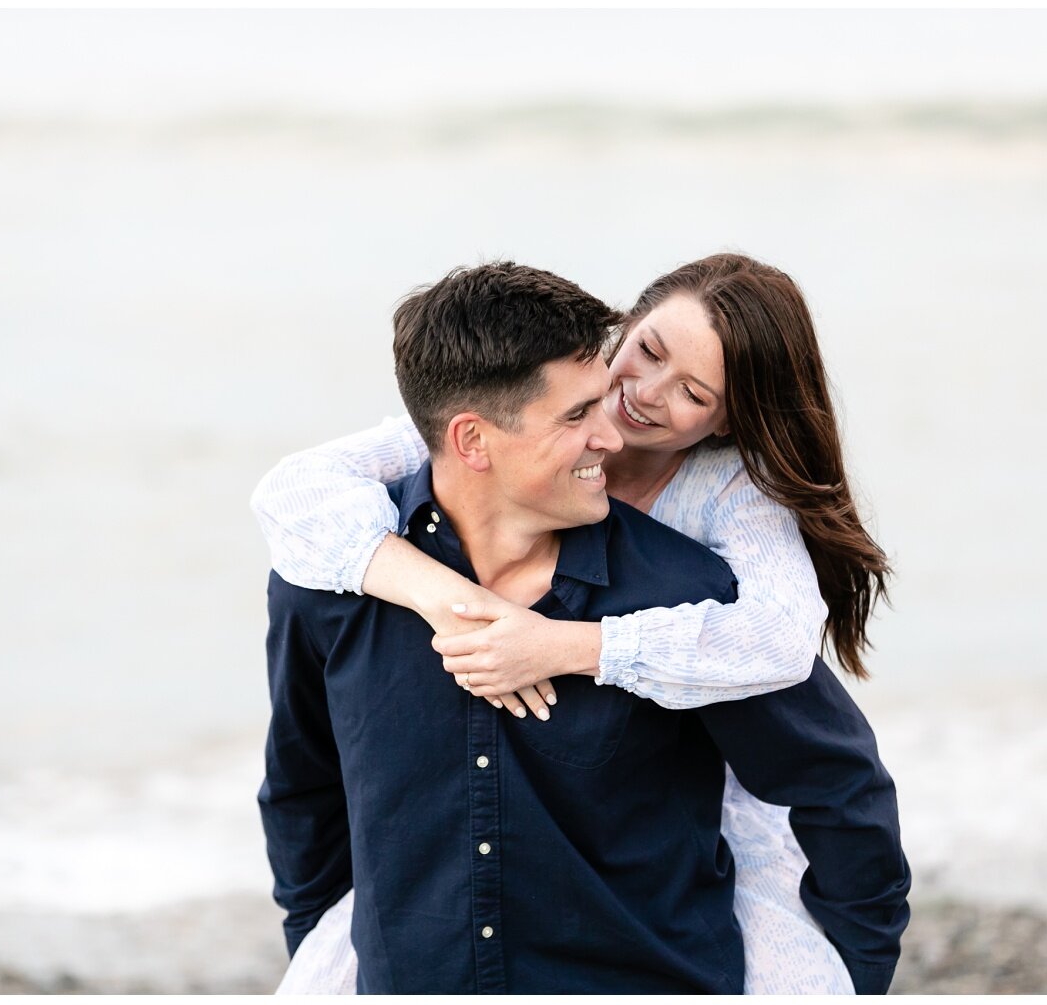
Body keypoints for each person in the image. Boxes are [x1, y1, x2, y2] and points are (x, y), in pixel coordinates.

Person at [256, 261, 909, 994]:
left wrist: (570, 645)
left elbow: (791, 667)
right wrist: (444, 598)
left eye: (693, 392)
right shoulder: (348, 562)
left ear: (725, 419)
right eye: (645, 353)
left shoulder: (709, 551)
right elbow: (302, 781)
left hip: (686, 874)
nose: (632, 405)